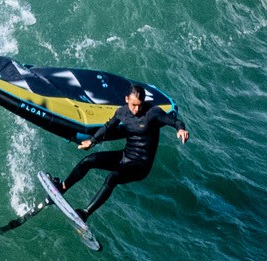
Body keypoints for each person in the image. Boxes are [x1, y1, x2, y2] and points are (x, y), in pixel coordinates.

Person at [53, 84, 188, 220]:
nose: (137, 109)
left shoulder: (153, 112)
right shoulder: (122, 112)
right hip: (125, 156)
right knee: (88, 160)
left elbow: (175, 121)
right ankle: (63, 187)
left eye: (140, 105)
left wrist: (180, 129)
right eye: (134, 105)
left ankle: (85, 213)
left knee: (113, 177)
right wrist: (92, 141)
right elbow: (108, 127)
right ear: (126, 99)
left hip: (141, 165)